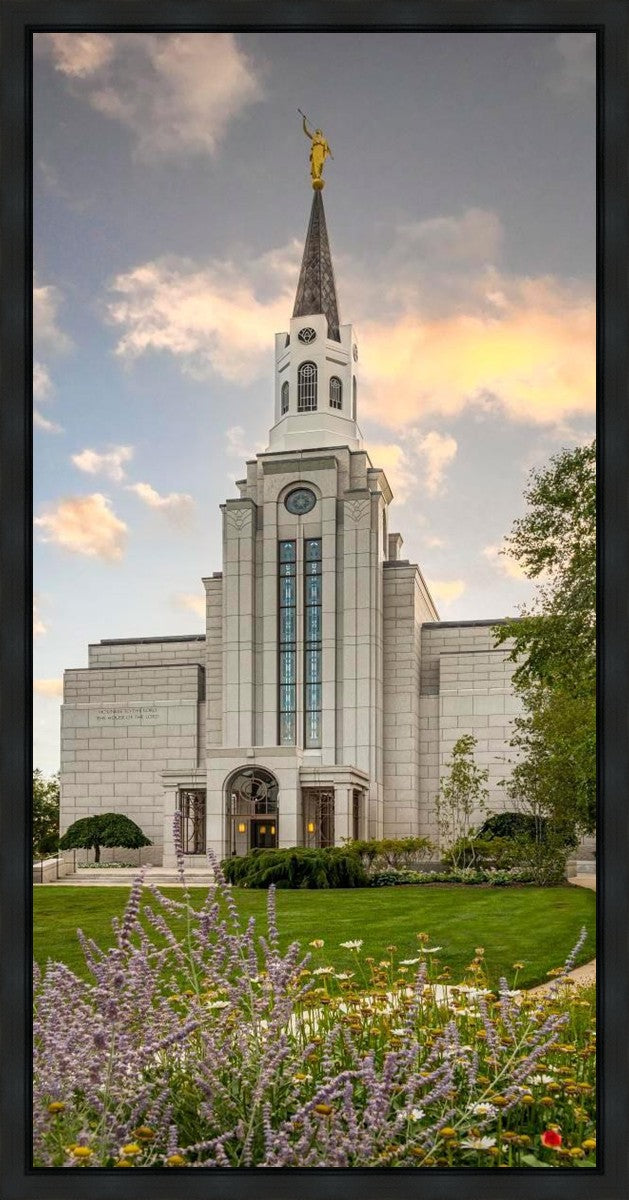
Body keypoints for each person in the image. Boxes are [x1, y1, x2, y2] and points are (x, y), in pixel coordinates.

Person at [302, 115, 333, 184]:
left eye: (318, 131)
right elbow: (306, 131)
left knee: (321, 164)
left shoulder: (324, 140)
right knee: (315, 165)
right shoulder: (314, 138)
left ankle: (318, 176)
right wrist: (304, 121)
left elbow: (328, 148)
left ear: (321, 133)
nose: (317, 131)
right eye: (316, 131)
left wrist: (331, 155)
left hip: (321, 153)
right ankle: (317, 176)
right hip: (315, 152)